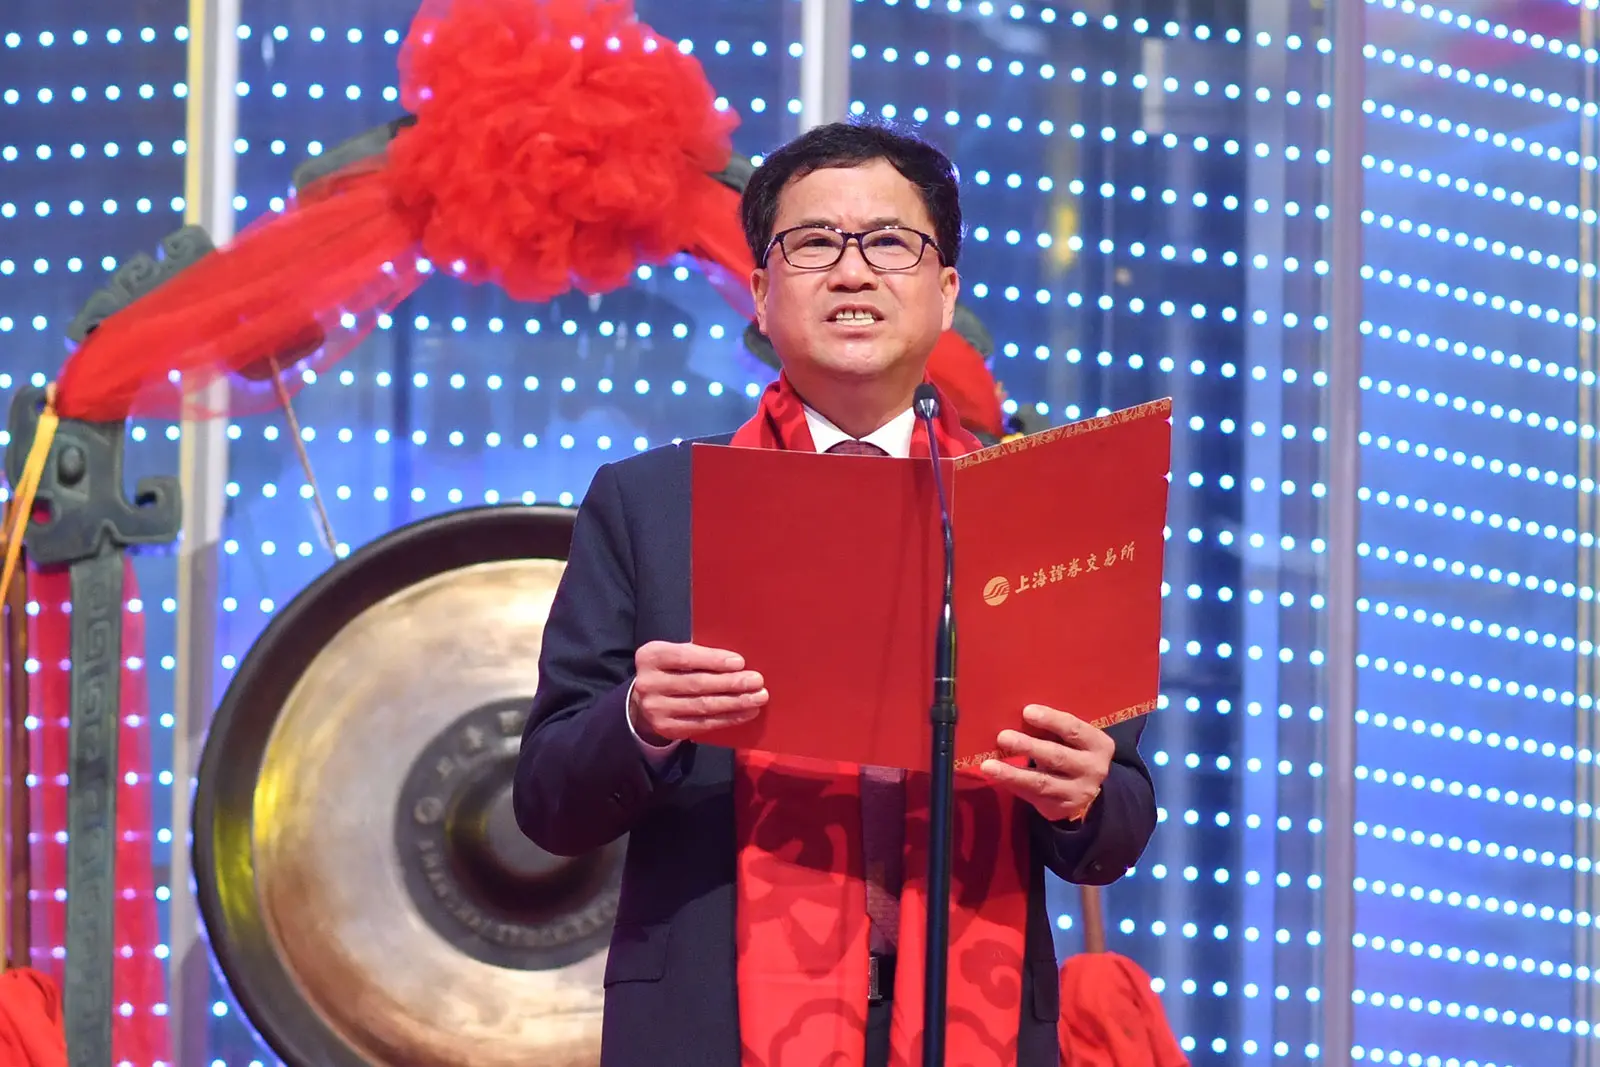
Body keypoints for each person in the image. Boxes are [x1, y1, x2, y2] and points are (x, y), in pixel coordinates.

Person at [514, 121, 1157, 1067]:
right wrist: (641, 721)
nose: (853, 273)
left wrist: (1081, 796)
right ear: (761, 293)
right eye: (814, 243)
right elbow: (547, 800)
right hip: (713, 1028)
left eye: (890, 243)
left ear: (946, 293)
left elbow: (1119, 820)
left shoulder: (1034, 511)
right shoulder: (652, 504)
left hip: (973, 1024)